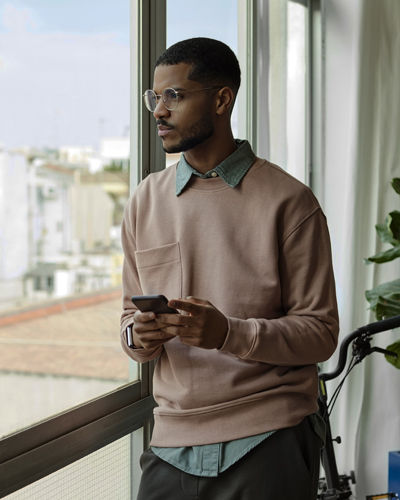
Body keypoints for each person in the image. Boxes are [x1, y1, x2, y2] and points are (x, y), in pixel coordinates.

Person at [120, 37, 339, 500]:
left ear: (222, 99)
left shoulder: (290, 201)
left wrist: (227, 333)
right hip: (170, 443)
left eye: (174, 96)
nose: (159, 111)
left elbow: (320, 333)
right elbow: (127, 325)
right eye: (153, 97)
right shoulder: (145, 200)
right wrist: (138, 336)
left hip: (269, 435)